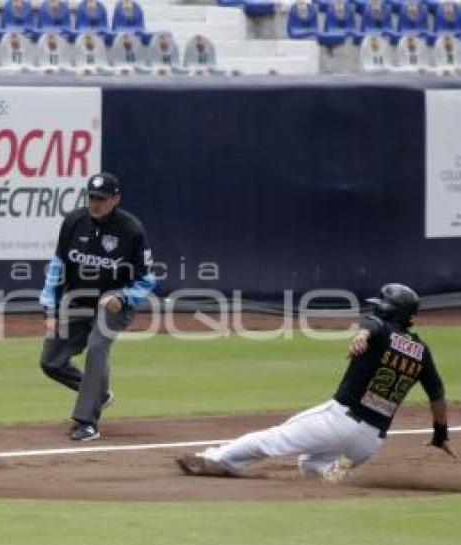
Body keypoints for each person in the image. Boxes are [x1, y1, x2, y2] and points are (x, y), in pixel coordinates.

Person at [177, 284, 454, 481]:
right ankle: (335, 482)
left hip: (339, 421)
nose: (376, 309)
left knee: (274, 438)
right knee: (311, 466)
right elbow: (437, 394)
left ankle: (213, 459)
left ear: (390, 310)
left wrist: (362, 336)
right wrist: (440, 434)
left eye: (381, 306)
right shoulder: (422, 351)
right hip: (369, 443)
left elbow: (373, 326)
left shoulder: (378, 329)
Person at [39, 172, 156, 441]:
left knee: (97, 346)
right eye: (92, 197)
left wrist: (125, 297)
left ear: (116, 199)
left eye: (102, 199)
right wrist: (50, 310)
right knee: (51, 361)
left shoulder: (131, 229)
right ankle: (98, 395)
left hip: (114, 303)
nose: (95, 203)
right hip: (79, 300)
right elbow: (58, 267)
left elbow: (148, 277)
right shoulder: (73, 222)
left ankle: (86, 422)